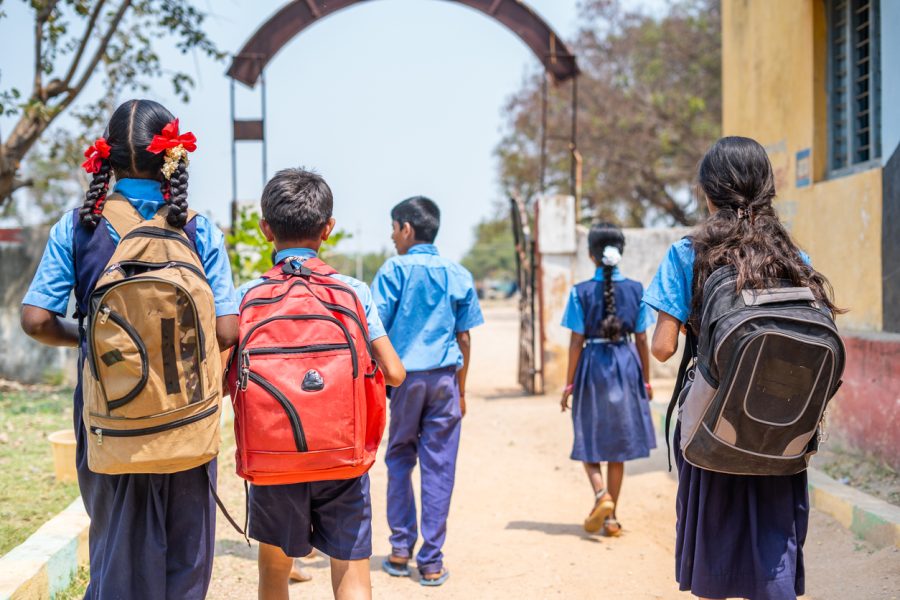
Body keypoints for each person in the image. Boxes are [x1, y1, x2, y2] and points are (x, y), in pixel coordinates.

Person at [20, 99, 239, 599]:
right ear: (173, 159)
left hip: (107, 414)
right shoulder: (198, 229)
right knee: (186, 556)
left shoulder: (78, 226)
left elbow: (35, 320)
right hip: (186, 415)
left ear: (107, 157)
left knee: (115, 549)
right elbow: (227, 332)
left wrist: (93, 339)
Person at [643, 136, 841, 600]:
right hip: (783, 426)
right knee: (774, 541)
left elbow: (663, 349)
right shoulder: (795, 259)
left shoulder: (686, 253)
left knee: (716, 544)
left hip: (715, 425)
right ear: (767, 191)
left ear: (708, 194)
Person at [236, 167, 405, 600]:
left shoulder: (246, 296)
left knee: (274, 573)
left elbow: (223, 381)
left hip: (272, 460)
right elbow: (396, 373)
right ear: (328, 229)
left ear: (265, 229)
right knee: (350, 570)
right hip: (342, 456)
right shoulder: (353, 292)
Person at [372, 196, 484, 586]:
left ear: (407, 229)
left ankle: (401, 551)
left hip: (404, 381)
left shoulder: (392, 271)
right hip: (445, 382)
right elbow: (465, 339)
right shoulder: (458, 274)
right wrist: (462, 390)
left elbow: (375, 332)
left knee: (400, 458)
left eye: (393, 228)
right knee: (440, 466)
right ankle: (432, 561)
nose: (392, 236)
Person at [559, 222, 656, 537]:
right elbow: (642, 339)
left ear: (591, 255)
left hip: (592, 366)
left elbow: (575, 342)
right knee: (618, 444)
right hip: (627, 365)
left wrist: (569, 384)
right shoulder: (637, 290)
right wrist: (646, 381)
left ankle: (601, 494)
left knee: (588, 435)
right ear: (621, 253)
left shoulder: (580, 291)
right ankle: (611, 519)